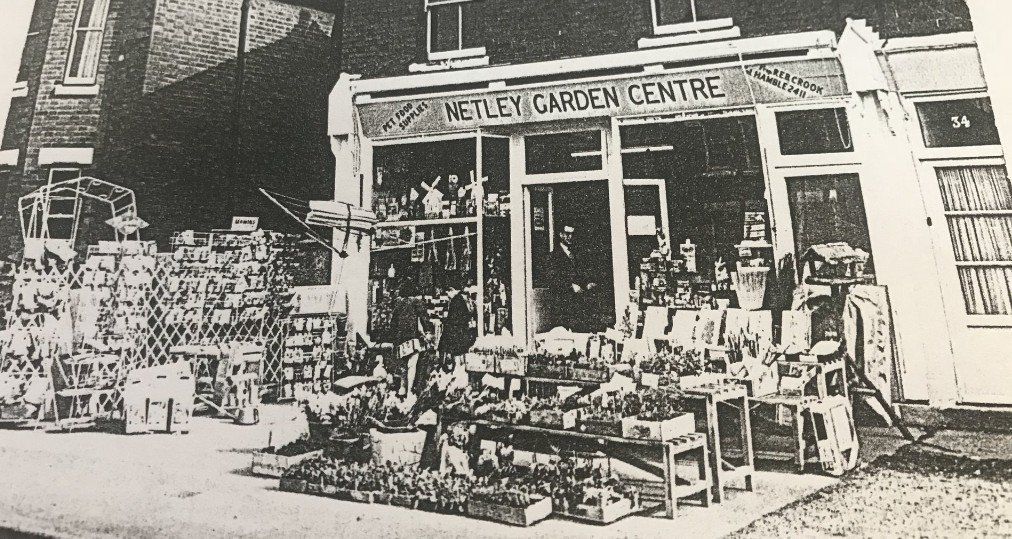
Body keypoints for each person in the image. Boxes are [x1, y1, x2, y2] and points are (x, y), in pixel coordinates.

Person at [545, 224, 597, 331]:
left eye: (572, 234)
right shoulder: (553, 257)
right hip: (563, 305)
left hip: (579, 304)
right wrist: (570, 286)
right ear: (560, 234)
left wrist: (587, 283)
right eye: (567, 234)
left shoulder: (577, 255)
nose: (570, 237)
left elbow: (582, 274)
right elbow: (553, 279)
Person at [388, 281, 434, 397]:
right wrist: (428, 332)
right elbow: (424, 318)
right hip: (413, 338)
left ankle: (402, 388)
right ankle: (409, 391)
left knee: (403, 366)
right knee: (412, 365)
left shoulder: (398, 303)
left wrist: (393, 339)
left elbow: (393, 323)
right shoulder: (417, 302)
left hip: (400, 338)